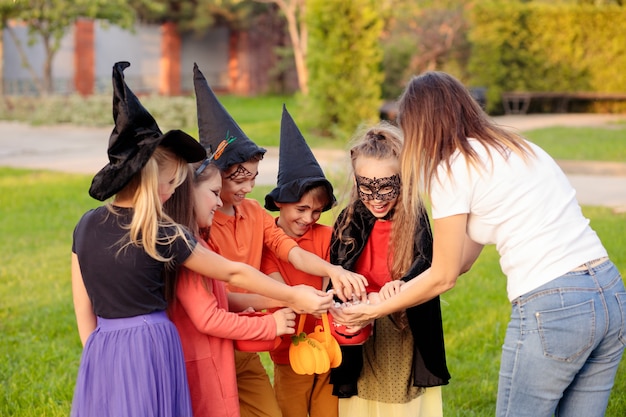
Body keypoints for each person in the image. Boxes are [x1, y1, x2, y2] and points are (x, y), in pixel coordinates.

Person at [338, 71, 626, 417]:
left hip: (554, 304)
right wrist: (403, 286)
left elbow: (445, 277)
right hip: (610, 293)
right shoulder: (517, 148)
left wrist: (372, 310)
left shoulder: (450, 170)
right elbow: (460, 260)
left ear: (419, 126)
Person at [70, 61, 332, 417]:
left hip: (104, 350)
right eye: (172, 182)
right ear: (148, 177)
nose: (174, 191)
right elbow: (232, 273)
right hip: (152, 348)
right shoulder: (161, 232)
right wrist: (291, 294)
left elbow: (83, 308)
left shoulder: (85, 225)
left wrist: (97, 355)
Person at [192, 63, 368, 417]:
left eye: (252, 178)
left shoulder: (255, 213)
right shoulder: (200, 226)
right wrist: (289, 298)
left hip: (248, 341)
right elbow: (224, 290)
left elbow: (294, 253)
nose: (245, 188)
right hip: (217, 340)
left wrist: (333, 270)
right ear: (211, 175)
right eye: (237, 180)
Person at [328, 122, 450, 417]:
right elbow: (336, 269)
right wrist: (344, 302)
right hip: (359, 324)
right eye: (367, 187)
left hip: (400, 322)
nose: (377, 198)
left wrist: (405, 283)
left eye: (387, 186)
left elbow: (427, 262)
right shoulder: (349, 218)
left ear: (402, 179)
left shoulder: (413, 215)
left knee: (397, 399)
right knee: (363, 392)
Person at [164, 156, 296, 417]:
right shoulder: (185, 248)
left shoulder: (197, 239)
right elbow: (209, 316)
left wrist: (283, 301)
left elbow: (220, 299)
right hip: (202, 358)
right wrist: (269, 324)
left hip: (235, 345)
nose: (218, 201)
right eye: (214, 192)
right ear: (188, 192)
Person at [260, 105, 339, 417]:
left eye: (317, 211)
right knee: (291, 410)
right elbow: (278, 291)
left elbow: (331, 280)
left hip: (330, 344)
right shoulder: (267, 245)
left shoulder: (326, 236)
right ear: (280, 202)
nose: (309, 218)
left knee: (328, 411)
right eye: (301, 209)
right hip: (289, 350)